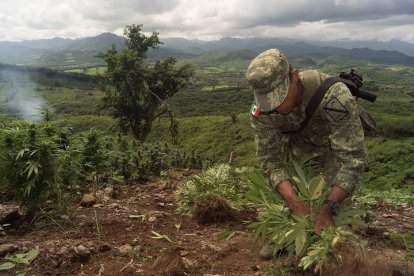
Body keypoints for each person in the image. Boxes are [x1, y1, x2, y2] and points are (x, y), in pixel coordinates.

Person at [246, 48, 368, 260]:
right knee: (294, 190)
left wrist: (329, 207)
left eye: (280, 98)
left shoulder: (334, 96)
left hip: (334, 148)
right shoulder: (261, 111)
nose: (275, 108)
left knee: (333, 211)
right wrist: (294, 202)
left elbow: (352, 160)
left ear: (294, 76)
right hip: (299, 148)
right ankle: (291, 233)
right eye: (269, 103)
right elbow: (269, 159)